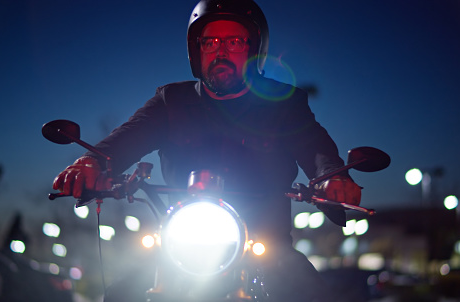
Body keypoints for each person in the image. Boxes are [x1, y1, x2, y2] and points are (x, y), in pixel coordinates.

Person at [53, 0, 362, 301]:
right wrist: (90, 162)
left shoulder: (283, 104)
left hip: (266, 245)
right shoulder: (171, 101)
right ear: (195, 49)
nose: (221, 51)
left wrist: (330, 177)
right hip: (181, 242)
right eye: (210, 42)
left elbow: (315, 146)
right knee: (122, 293)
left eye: (235, 42)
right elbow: (127, 137)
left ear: (254, 50)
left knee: (310, 293)